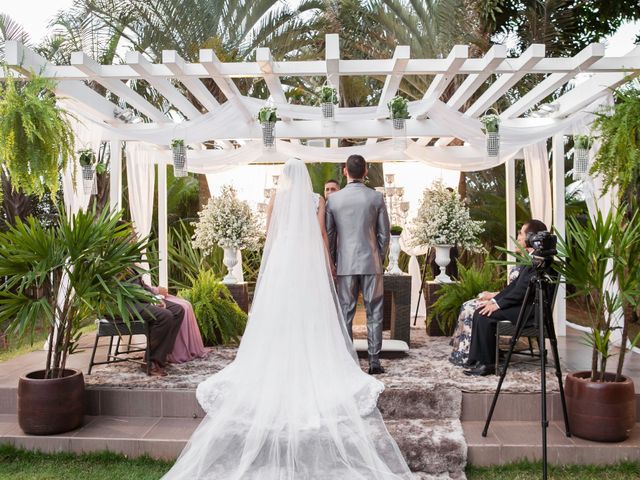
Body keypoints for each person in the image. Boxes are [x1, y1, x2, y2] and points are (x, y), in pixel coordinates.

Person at [161, 158, 411, 479]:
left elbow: (270, 237)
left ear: (283, 178)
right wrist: (326, 266)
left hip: (281, 263)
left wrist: (272, 265)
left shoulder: (277, 200)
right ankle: (347, 360)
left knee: (277, 316)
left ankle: (278, 360)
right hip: (308, 265)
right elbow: (323, 235)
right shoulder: (318, 200)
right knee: (313, 315)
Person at [326, 154, 391, 375]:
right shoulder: (376, 198)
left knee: (346, 312)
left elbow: (330, 236)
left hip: (345, 264)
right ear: (365, 172)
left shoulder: (333, 200)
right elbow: (385, 234)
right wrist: (378, 257)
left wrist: (334, 262)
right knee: (375, 312)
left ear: (345, 171)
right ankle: (374, 361)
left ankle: (347, 360)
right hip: (371, 262)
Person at [463, 219, 548, 376]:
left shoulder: (538, 260)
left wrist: (498, 305)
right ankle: (482, 358)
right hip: (523, 304)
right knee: (483, 311)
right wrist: (494, 300)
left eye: (521, 233)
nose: (518, 237)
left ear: (531, 237)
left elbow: (523, 291)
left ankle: (486, 364)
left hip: (530, 311)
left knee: (482, 316)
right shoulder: (533, 257)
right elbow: (514, 288)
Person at [145, 285, 208, 364]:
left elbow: (143, 285)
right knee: (168, 313)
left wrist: (156, 292)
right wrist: (157, 292)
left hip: (150, 294)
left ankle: (165, 351)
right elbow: (135, 287)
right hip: (139, 300)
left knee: (182, 307)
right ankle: (154, 358)